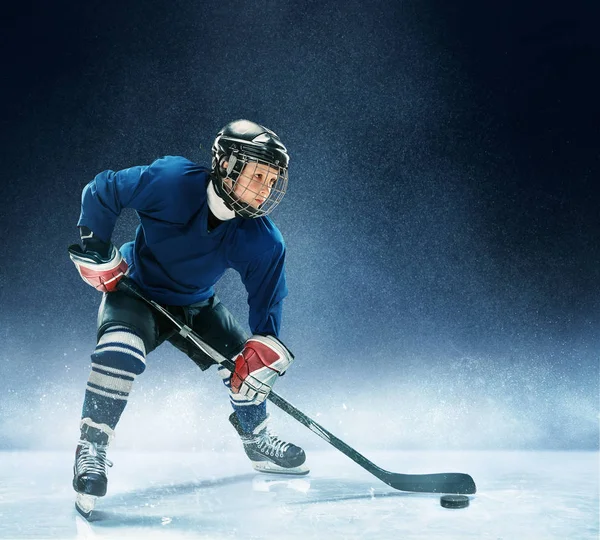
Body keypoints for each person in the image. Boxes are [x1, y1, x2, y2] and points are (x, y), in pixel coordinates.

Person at [68, 119, 307, 517]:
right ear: (227, 164)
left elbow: (268, 301)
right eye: (258, 174)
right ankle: (91, 447)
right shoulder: (171, 180)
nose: (266, 188)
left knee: (244, 370)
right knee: (120, 352)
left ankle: (256, 436)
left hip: (197, 305)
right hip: (136, 290)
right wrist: (96, 247)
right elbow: (104, 188)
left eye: (272, 179)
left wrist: (262, 349)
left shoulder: (264, 240)